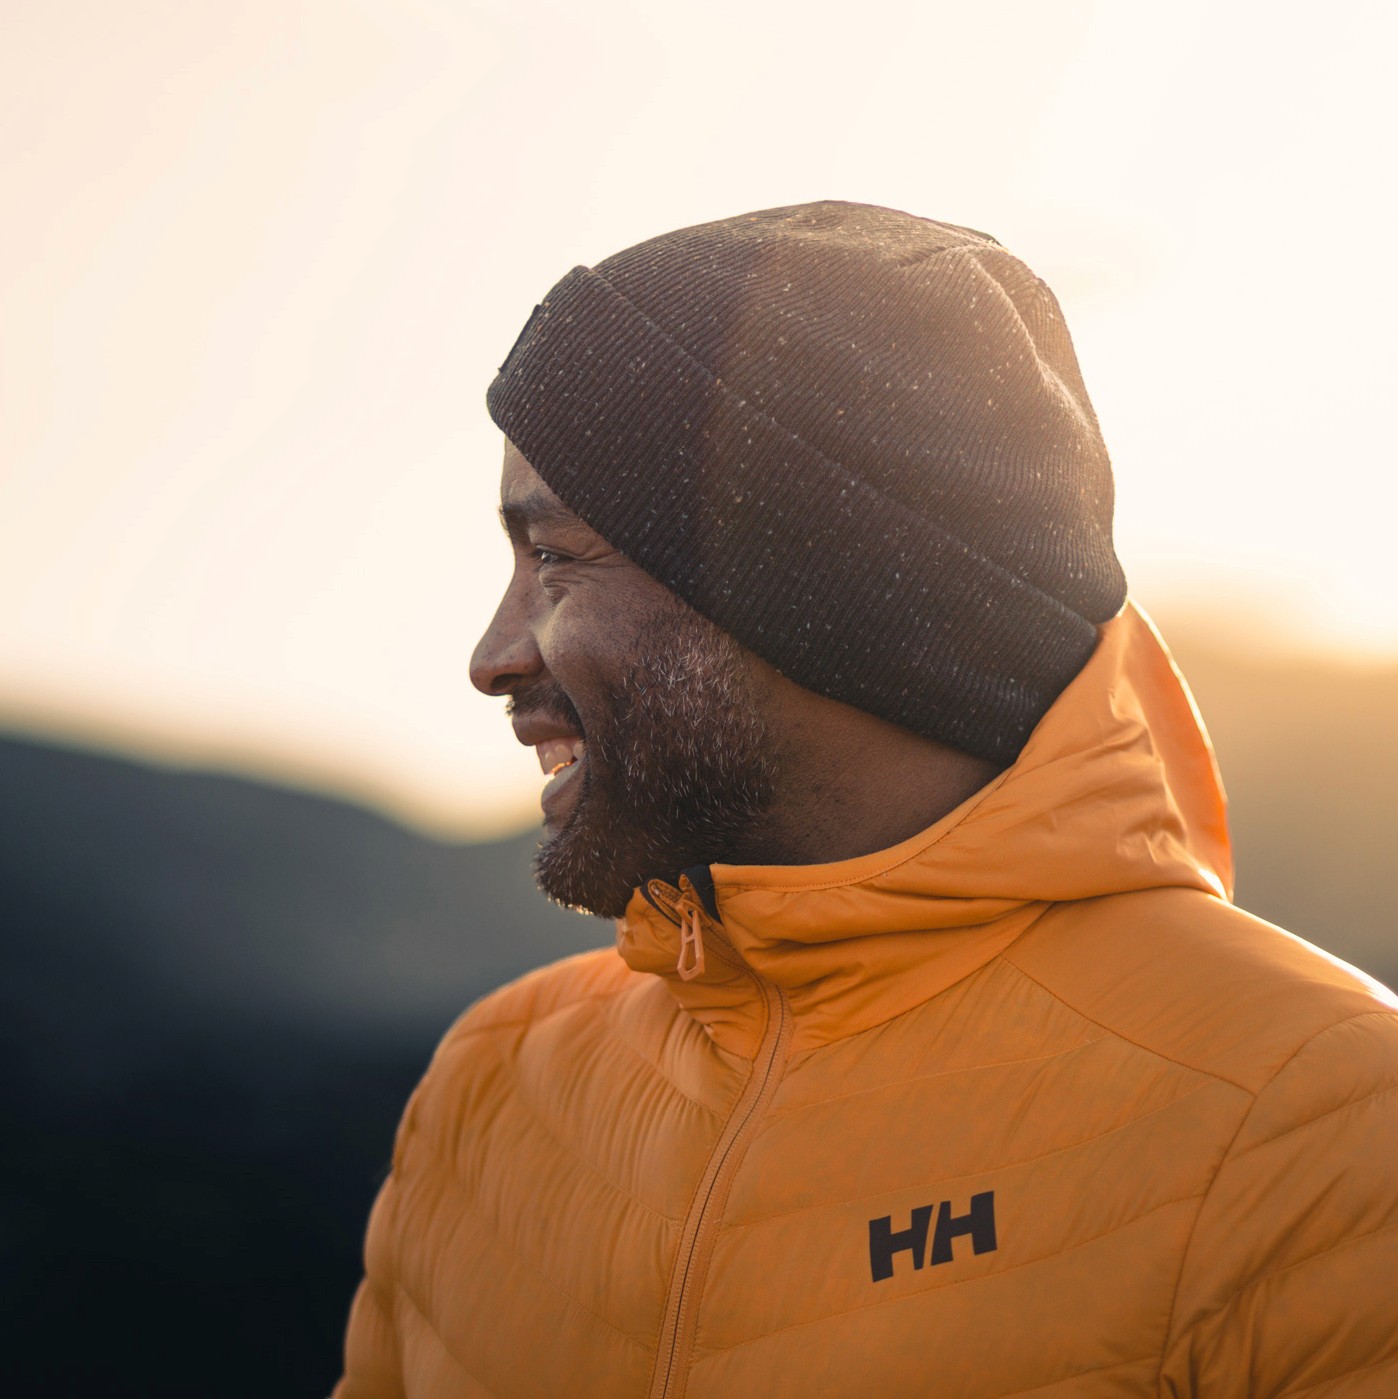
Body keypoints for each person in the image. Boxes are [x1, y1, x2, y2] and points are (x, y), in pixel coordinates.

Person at [334, 202, 1398, 1398]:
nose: (491, 657)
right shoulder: (492, 1087)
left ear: (805, 595)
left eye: (556, 560)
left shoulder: (1315, 1115)